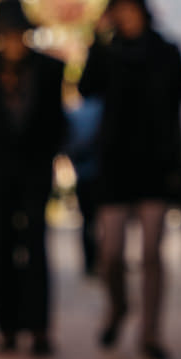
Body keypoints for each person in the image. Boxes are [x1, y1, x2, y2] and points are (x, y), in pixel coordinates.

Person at [79, 0, 181, 359]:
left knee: (152, 253)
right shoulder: (107, 53)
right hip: (114, 164)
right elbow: (86, 88)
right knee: (109, 253)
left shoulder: (167, 51)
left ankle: (151, 333)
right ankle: (118, 307)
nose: (124, 15)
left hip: (156, 165)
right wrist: (96, 39)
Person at [0, 0, 67, 356]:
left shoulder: (50, 70)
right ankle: (7, 326)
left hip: (35, 172)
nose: (13, 41)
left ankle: (39, 327)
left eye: (18, 34)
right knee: (0, 247)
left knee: (36, 247)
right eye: (8, 34)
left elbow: (57, 121)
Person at [63, 94, 104, 276]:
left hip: (84, 173)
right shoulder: (102, 110)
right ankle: (101, 260)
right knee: (101, 221)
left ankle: (90, 262)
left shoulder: (75, 113)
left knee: (88, 221)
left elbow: (67, 144)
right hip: (99, 174)